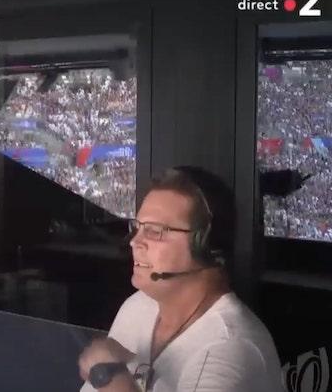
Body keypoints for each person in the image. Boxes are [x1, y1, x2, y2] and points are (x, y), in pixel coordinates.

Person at [78, 166, 284, 392]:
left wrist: (110, 378)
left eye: (155, 231)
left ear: (206, 246)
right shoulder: (137, 308)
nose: (135, 242)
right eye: (136, 227)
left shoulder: (230, 348)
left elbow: (108, 381)